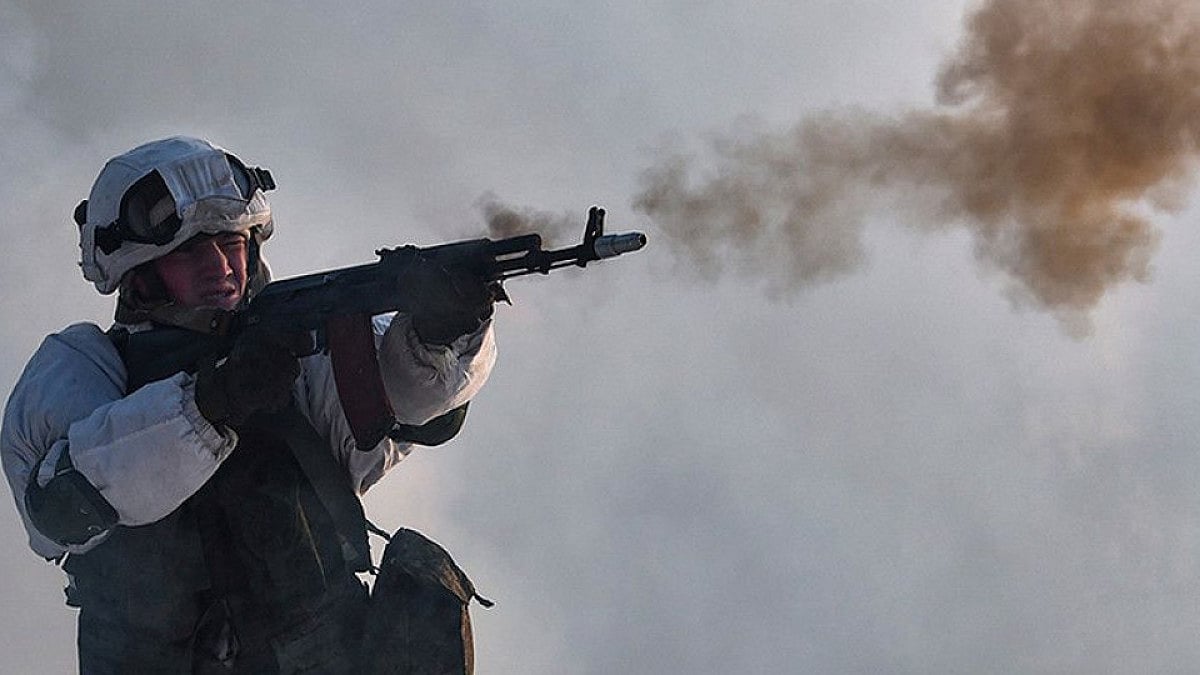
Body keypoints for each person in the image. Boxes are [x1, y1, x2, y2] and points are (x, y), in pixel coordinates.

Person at [0, 136, 497, 673]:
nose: (219, 266)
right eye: (191, 251)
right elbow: (65, 507)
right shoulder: (81, 366)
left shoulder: (290, 352)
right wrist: (211, 404)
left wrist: (441, 334)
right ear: (139, 272)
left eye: (231, 243)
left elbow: (402, 403)